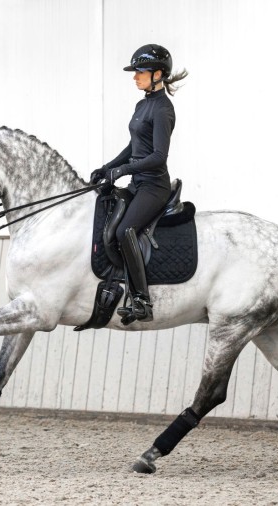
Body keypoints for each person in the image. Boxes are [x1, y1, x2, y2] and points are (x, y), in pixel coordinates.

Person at [90, 44, 188, 323]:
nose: (135, 77)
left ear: (158, 74)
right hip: (137, 182)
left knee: (125, 231)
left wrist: (123, 170)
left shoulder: (162, 110)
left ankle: (142, 300)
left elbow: (158, 156)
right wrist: (108, 167)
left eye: (140, 72)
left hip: (153, 186)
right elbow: (134, 145)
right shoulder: (142, 104)